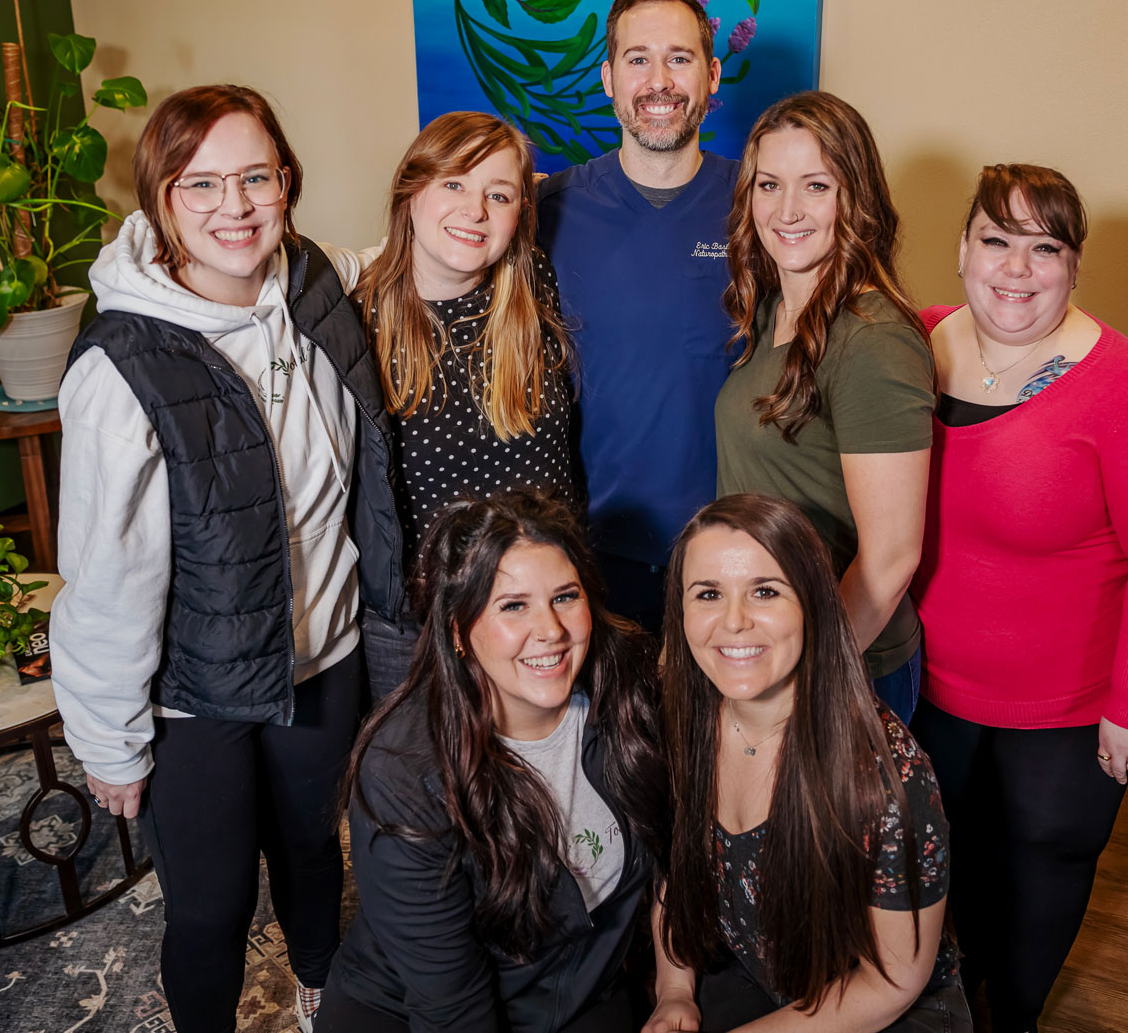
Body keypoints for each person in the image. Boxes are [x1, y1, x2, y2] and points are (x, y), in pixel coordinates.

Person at [50, 83, 409, 1033]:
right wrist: (109, 740)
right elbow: (104, 576)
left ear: (287, 183)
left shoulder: (316, 285)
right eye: (199, 184)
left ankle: (326, 999)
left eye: (256, 177)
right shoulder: (118, 368)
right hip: (193, 692)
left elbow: (411, 255)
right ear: (159, 199)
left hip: (320, 661)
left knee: (310, 853)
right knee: (210, 907)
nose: (234, 207)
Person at [909, 163, 1128, 1032]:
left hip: (1070, 703)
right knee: (946, 853)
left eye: (1043, 248)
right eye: (996, 240)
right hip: (931, 682)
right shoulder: (914, 342)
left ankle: (1013, 1016)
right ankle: (946, 999)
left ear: (1074, 266)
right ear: (962, 248)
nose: (1016, 269)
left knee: (1044, 860)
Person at [327, 490, 667, 1032]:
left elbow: (674, 856)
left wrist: (674, 989)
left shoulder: (628, 695)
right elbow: (452, 1010)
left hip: (579, 992)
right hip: (422, 1014)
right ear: (460, 631)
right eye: (513, 606)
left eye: (565, 596)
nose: (551, 630)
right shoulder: (403, 771)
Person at [645, 494, 968, 1033]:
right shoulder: (681, 717)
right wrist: (674, 992)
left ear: (814, 603)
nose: (734, 621)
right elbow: (674, 875)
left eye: (765, 591)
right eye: (708, 594)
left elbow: (892, 983)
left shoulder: (888, 776)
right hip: (760, 979)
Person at [714, 91, 934, 721]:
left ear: (854, 198)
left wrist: (804, 680)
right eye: (768, 184)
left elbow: (892, 557)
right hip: (761, 648)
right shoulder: (769, 309)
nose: (787, 210)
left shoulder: (872, 339)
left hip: (843, 668)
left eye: (816, 185)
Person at [538, 0, 737, 630]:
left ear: (710, 75)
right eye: (638, 59)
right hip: (591, 555)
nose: (659, 82)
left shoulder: (759, 207)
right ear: (607, 77)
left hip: (730, 552)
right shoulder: (549, 211)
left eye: (679, 59)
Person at [356, 111, 576, 551]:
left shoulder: (536, 284)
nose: (475, 211)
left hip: (550, 593)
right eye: (453, 183)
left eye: (498, 196)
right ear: (411, 190)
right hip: (428, 609)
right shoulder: (357, 319)